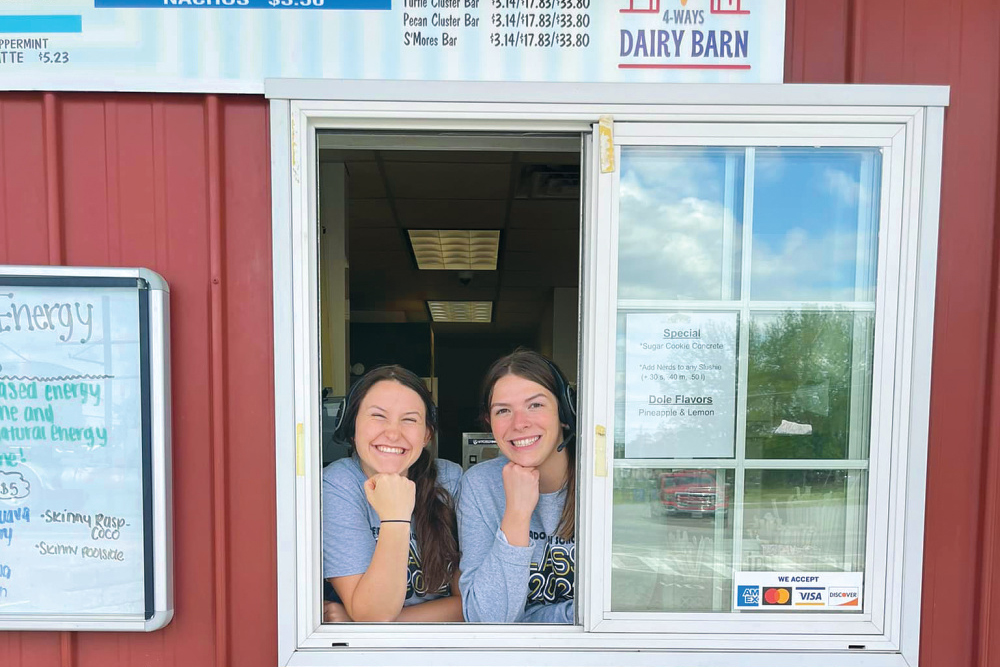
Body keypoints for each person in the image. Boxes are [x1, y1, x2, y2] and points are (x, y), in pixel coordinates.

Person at [322, 365, 464, 622]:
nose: (393, 433)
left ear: (426, 435)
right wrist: (395, 518)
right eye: (378, 416)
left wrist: (358, 621)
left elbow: (469, 605)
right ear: (352, 428)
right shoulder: (339, 484)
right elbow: (374, 614)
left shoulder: (451, 480)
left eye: (409, 419)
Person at [457, 349, 576, 623]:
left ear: (564, 411)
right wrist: (517, 514)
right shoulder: (480, 485)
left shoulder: (598, 481)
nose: (519, 423)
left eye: (535, 405)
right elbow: (485, 618)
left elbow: (621, 609)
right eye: (503, 411)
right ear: (490, 423)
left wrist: (527, 621)